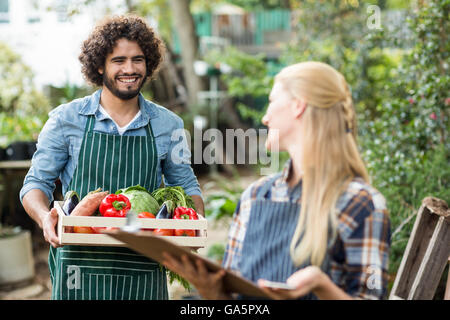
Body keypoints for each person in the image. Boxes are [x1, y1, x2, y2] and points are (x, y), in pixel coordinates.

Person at [162, 61, 391, 300]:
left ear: (298, 106)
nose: (265, 117)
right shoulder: (255, 195)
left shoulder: (361, 203)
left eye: (272, 102)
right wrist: (212, 292)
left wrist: (320, 284)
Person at [20, 14, 204, 300]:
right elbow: (36, 183)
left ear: (149, 63)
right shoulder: (66, 120)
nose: (129, 69)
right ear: (99, 65)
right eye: (118, 60)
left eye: (138, 59)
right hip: (79, 268)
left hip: (143, 265)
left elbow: (186, 186)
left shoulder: (169, 125)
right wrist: (45, 217)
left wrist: (194, 227)